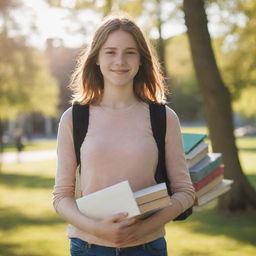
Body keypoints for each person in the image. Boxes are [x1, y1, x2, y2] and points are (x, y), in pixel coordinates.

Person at [52, 13, 195, 256]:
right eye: (110, 52)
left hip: (148, 247)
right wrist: (98, 229)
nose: (120, 60)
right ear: (96, 58)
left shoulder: (163, 117)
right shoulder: (74, 119)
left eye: (130, 52)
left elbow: (185, 191)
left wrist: (143, 230)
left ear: (141, 59)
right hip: (88, 247)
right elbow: (61, 197)